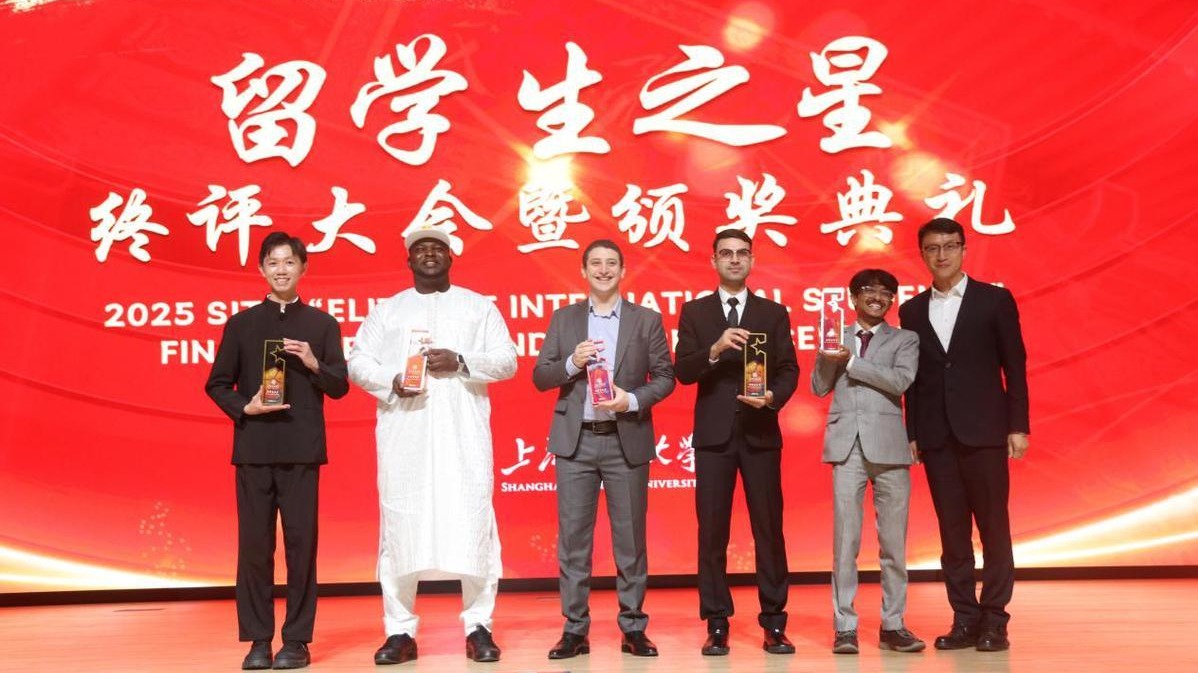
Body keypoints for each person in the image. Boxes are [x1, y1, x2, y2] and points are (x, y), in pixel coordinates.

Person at [347, 226, 517, 665]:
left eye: (437, 248)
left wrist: (462, 361)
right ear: (408, 260)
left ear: (450, 257)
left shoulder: (478, 306)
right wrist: (391, 381)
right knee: (401, 528)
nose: (428, 254)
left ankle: (479, 626)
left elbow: (508, 360)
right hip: (406, 433)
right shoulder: (388, 310)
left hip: (463, 436)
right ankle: (399, 631)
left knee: (473, 525)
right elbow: (358, 362)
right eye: (420, 249)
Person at [205, 231, 349, 670]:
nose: (281, 270)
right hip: (254, 449)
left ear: (303, 267)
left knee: (302, 547)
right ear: (261, 269)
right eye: (273, 262)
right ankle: (258, 640)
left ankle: (297, 641)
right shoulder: (241, 324)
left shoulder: (322, 325)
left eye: (289, 262)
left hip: (302, 451)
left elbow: (339, 386)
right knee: (254, 548)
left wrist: (313, 362)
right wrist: (244, 407)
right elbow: (216, 384)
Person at [532, 239, 675, 660]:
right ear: (583, 271)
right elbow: (541, 376)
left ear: (623, 270)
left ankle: (633, 627)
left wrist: (630, 400)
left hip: (624, 438)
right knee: (574, 541)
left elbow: (665, 377)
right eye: (595, 263)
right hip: (575, 442)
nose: (603, 269)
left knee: (630, 540)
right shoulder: (564, 319)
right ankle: (574, 630)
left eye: (611, 263)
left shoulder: (646, 319)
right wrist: (572, 363)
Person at [899, 217, 1029, 652]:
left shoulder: (994, 300)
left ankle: (995, 620)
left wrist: (1018, 425)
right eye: (932, 248)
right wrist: (913, 431)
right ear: (922, 254)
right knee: (952, 535)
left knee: (994, 530)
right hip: (936, 437)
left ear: (963, 249)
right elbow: (914, 379)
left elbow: (1015, 366)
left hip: (986, 432)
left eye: (950, 246)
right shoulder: (911, 310)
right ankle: (964, 619)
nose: (942, 255)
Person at [674, 229, 799, 656]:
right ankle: (716, 622)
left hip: (760, 432)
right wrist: (714, 349)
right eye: (725, 254)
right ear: (713, 260)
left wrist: (773, 397)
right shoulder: (695, 312)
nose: (733, 260)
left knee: (769, 530)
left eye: (741, 253)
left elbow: (789, 369)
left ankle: (774, 622)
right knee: (712, 532)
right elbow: (683, 371)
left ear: (752, 260)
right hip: (714, 438)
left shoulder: (772, 312)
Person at [812, 268, 924, 655]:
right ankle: (845, 626)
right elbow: (818, 387)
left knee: (893, 544)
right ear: (853, 297)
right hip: (846, 448)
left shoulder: (905, 339)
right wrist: (829, 357)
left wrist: (852, 363)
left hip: (890, 447)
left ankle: (893, 625)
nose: (877, 297)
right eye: (868, 291)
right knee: (845, 543)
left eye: (885, 292)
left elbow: (900, 381)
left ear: (892, 299)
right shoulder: (834, 334)